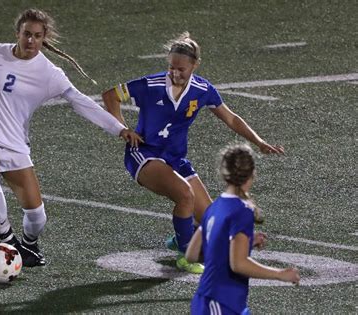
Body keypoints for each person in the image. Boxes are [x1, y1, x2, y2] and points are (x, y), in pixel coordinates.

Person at [0, 8, 141, 267]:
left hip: (13, 142)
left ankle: (29, 245)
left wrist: (118, 128)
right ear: (17, 34)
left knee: (36, 216)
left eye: (37, 35)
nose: (31, 41)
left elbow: (81, 102)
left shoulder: (50, 74)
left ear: (44, 37)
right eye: (26, 34)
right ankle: (8, 241)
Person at [102, 32, 284, 274]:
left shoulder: (202, 89)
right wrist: (123, 129)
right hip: (144, 155)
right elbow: (110, 95)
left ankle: (181, 239)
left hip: (176, 160)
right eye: (171, 67)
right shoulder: (151, 85)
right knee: (185, 195)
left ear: (195, 65)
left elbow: (230, 118)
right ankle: (186, 255)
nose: (175, 73)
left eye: (181, 69)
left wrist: (259, 142)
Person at [186, 143, 300, 314]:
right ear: (252, 174)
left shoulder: (214, 206)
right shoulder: (242, 210)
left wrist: (245, 243)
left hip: (215, 301)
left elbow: (191, 254)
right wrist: (280, 274)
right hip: (220, 304)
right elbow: (238, 264)